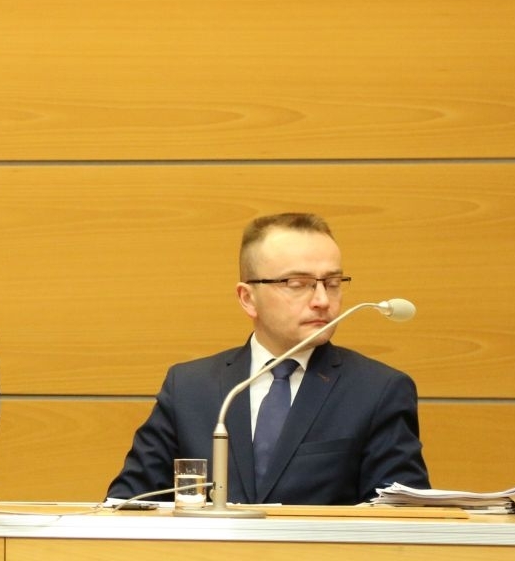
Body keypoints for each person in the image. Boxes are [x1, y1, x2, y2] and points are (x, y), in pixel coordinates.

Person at [107, 212, 429, 505]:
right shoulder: (189, 388)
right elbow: (127, 505)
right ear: (248, 298)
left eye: (332, 283)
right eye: (298, 284)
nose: (322, 300)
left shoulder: (378, 390)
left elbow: (402, 522)